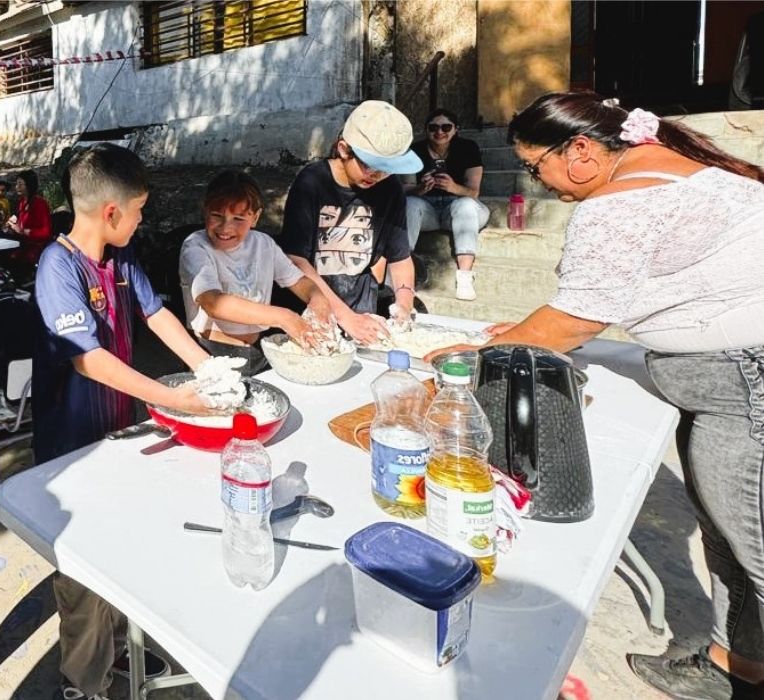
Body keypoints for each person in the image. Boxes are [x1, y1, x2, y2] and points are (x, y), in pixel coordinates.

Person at [427, 91, 764, 700]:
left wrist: (469, 355)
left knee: (756, 547)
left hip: (747, 385)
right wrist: (534, 327)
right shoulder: (671, 171)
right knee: (730, 538)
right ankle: (734, 666)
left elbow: (572, 323)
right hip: (730, 387)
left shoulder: (620, 204)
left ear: (580, 149)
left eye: (537, 167)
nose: (540, 181)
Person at [33, 143, 211, 700]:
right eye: (138, 209)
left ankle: (114, 653)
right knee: (84, 573)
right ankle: (81, 681)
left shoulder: (122, 258)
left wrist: (209, 368)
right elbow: (87, 357)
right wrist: (172, 399)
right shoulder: (56, 266)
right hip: (72, 450)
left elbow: (155, 314)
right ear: (111, 212)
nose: (141, 220)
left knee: (123, 551)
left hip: (118, 434)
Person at [279, 100, 421, 344]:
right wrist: (344, 317)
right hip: (313, 310)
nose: (378, 175)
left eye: (387, 169)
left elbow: (400, 258)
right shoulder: (312, 181)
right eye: (371, 166)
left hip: (363, 309)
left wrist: (405, 306)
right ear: (344, 149)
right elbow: (295, 259)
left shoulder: (390, 189)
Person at [178, 169, 333, 376]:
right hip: (212, 350)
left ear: (256, 217)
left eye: (239, 219)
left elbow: (298, 280)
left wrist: (317, 297)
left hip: (258, 349)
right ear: (205, 210)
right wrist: (285, 317)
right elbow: (213, 302)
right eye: (217, 216)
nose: (226, 228)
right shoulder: (195, 247)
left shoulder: (264, 244)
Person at [402, 108, 490, 300]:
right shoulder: (415, 151)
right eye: (433, 127)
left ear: (455, 129)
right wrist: (420, 188)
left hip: (460, 209)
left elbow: (473, 192)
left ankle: (465, 276)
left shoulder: (468, 148)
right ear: (426, 130)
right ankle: (403, 270)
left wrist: (453, 187)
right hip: (428, 209)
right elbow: (406, 189)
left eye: (446, 127)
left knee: (465, 205)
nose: (439, 132)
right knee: (410, 203)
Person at [6, 169, 52, 262]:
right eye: (16, 184)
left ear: (29, 185)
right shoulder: (22, 203)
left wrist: (24, 231)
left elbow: (46, 232)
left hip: (36, 247)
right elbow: (21, 224)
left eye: (20, 184)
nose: (16, 187)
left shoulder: (40, 204)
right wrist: (11, 227)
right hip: (23, 243)